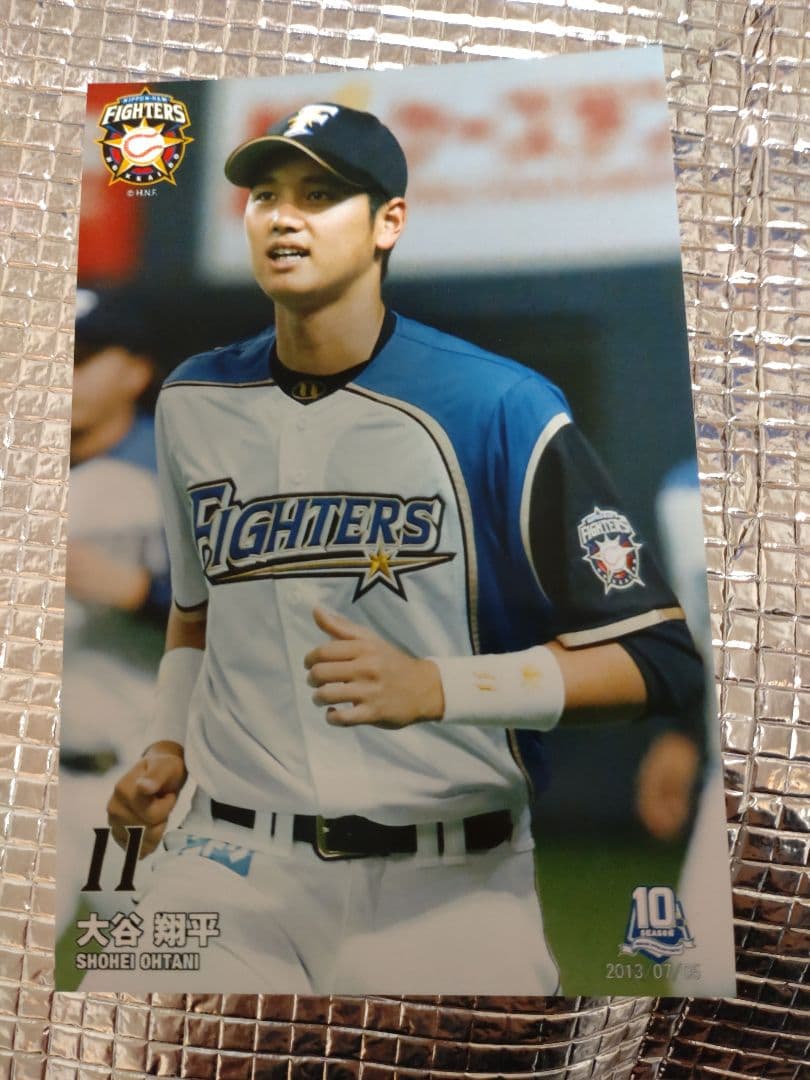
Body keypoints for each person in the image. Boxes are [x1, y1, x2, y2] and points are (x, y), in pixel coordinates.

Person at [102, 103, 704, 993]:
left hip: (448, 883)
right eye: (266, 195)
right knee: (113, 1042)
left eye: (319, 195)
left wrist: (439, 687)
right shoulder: (195, 401)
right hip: (224, 864)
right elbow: (196, 617)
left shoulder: (499, 406)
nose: (284, 217)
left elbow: (658, 660)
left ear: (390, 222)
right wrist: (166, 744)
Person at [58, 289, 172, 941]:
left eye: (82, 358)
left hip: (138, 784)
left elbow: (264, 620)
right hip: (25, 784)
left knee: (160, 971)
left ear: (135, 371)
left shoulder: (186, 473)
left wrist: (140, 591)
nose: (60, 371)